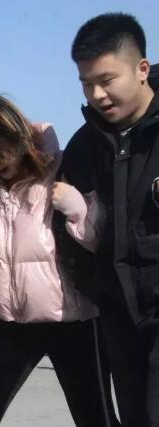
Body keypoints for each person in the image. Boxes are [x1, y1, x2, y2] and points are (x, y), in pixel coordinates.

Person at [0, 94, 117, 427]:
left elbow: (103, 241)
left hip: (74, 319)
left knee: (95, 418)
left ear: (18, 135)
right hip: (9, 324)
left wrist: (78, 210)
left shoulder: (63, 169)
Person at [63, 12, 159, 426]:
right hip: (118, 314)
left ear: (142, 69)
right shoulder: (85, 145)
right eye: (87, 83)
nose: (97, 95)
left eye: (107, 80)